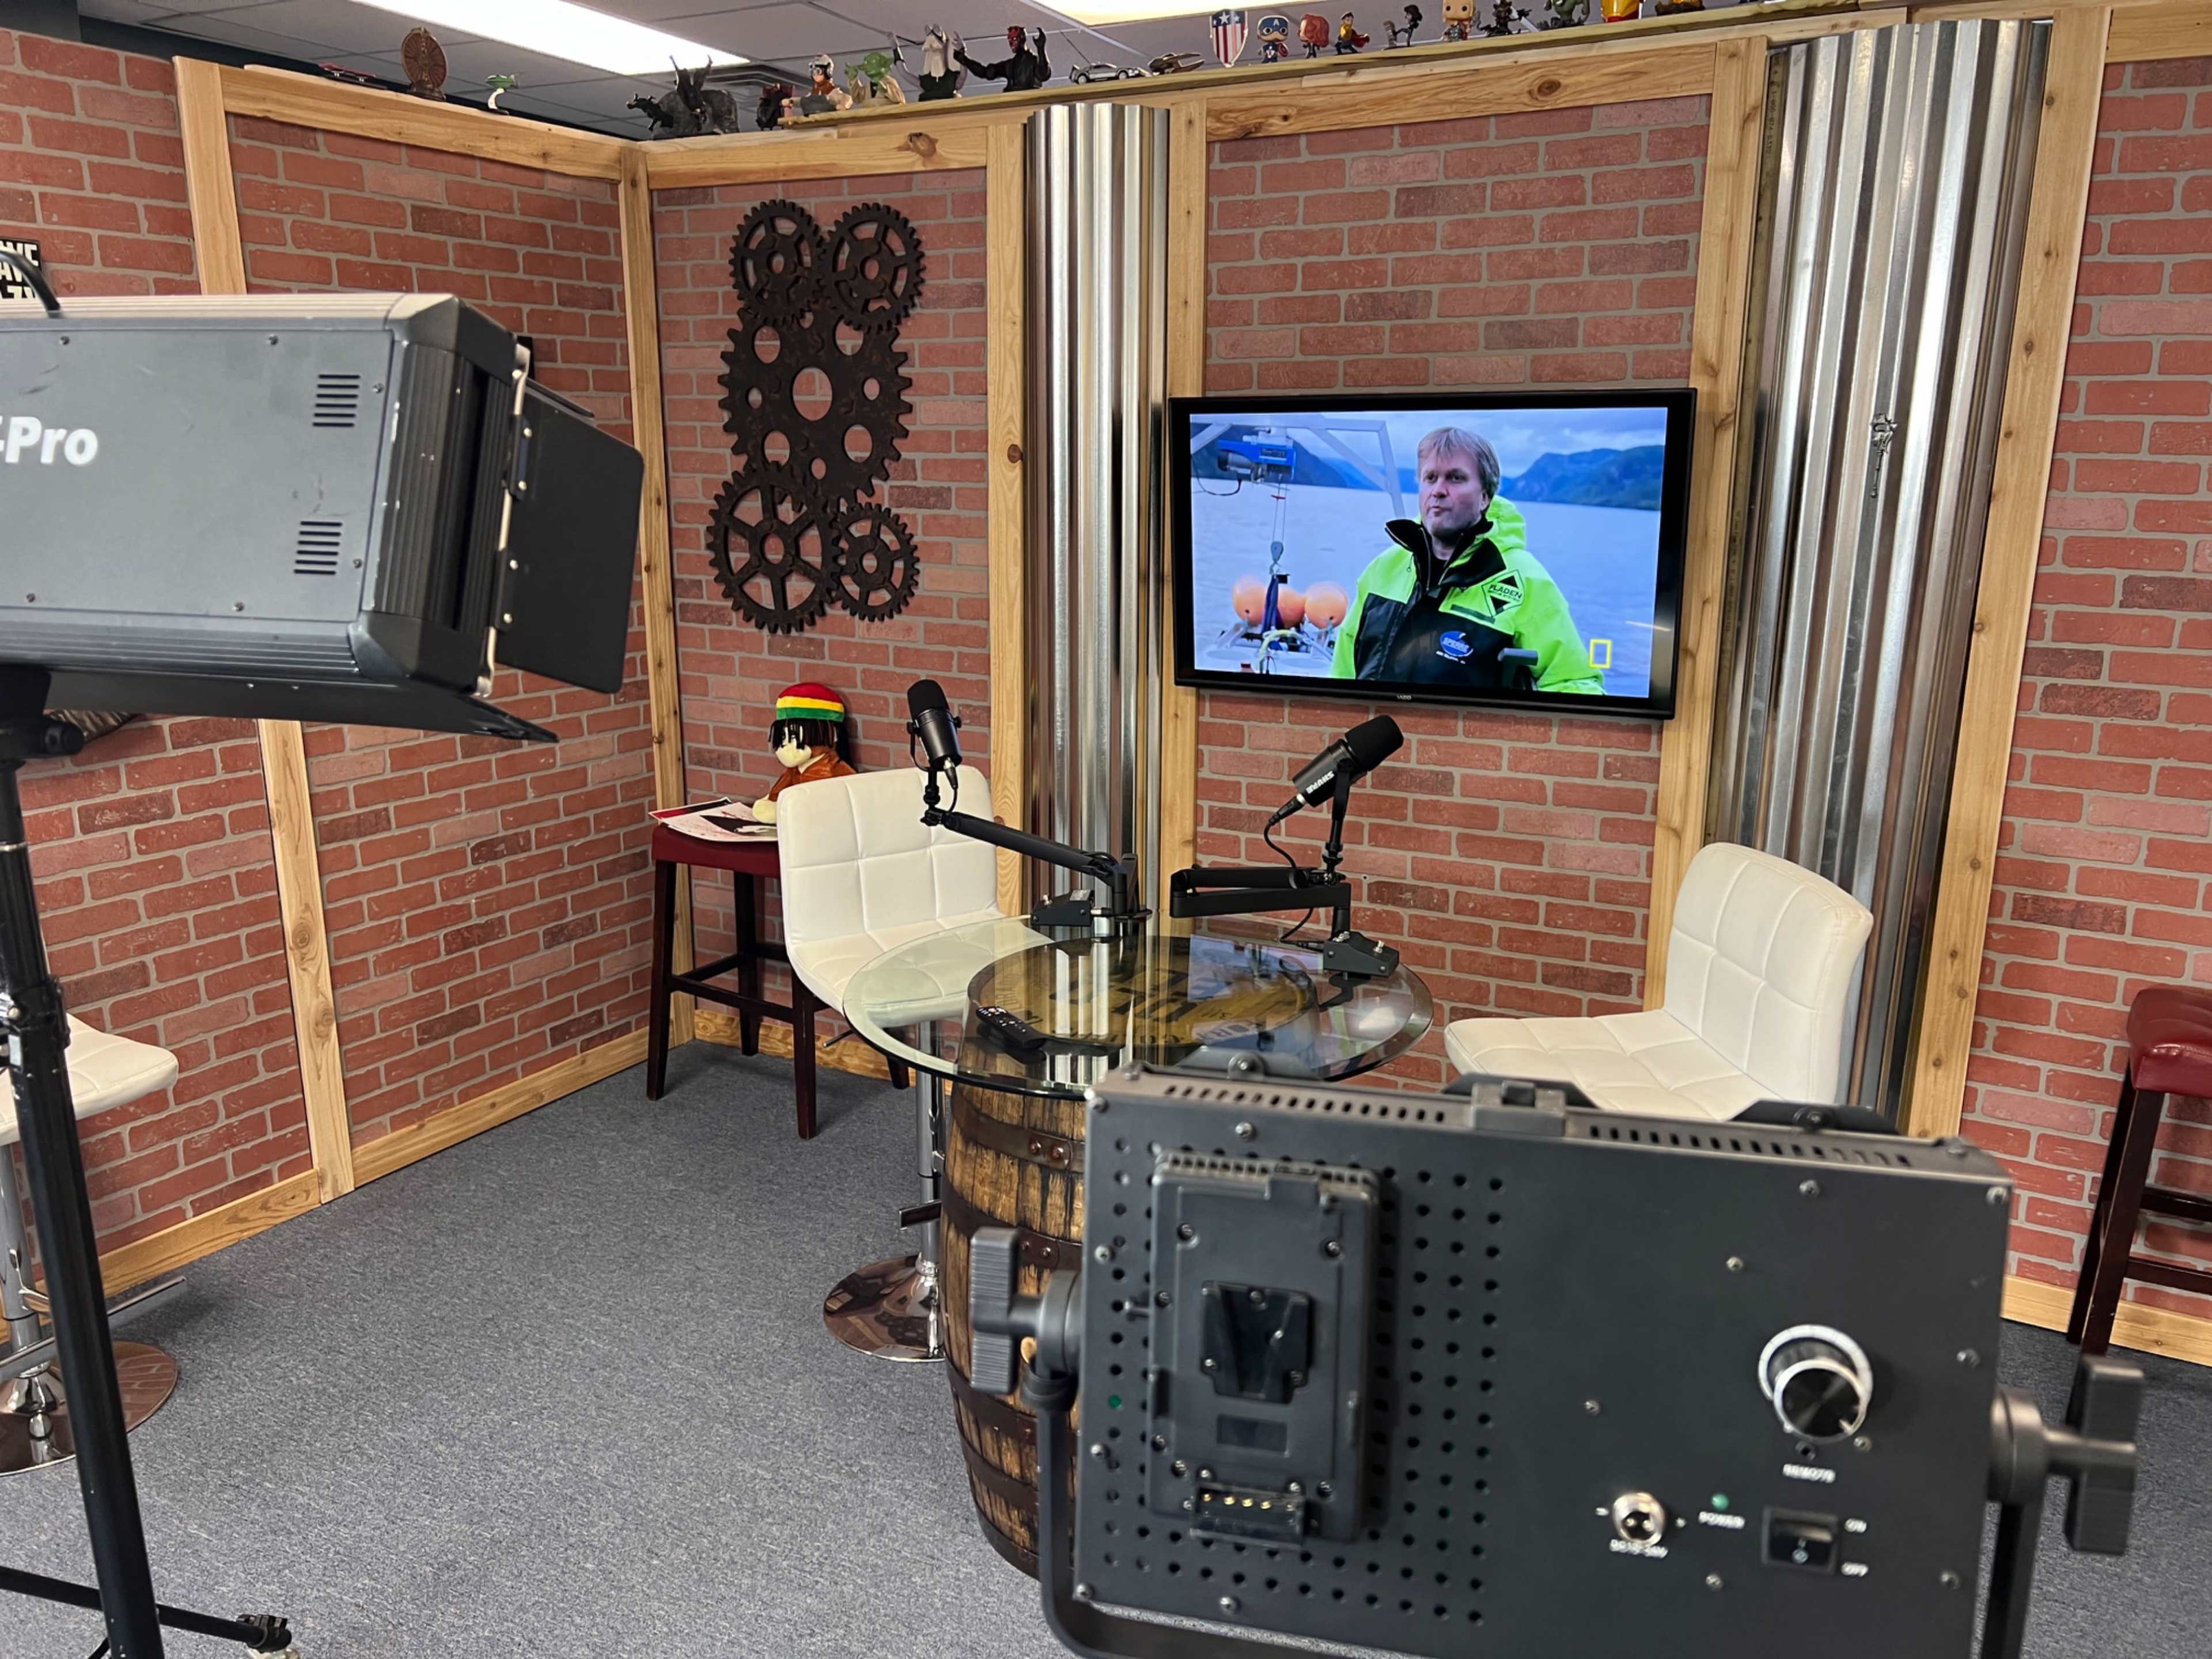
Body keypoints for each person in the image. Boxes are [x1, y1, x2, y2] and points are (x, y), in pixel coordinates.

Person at [1330, 426, 1604, 693]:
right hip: (1378, 734)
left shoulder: (1526, 582)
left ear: (1485, 496)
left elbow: (1575, 683)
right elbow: (1343, 673)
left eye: (1455, 478)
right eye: (1430, 478)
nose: (1438, 490)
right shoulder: (1384, 568)